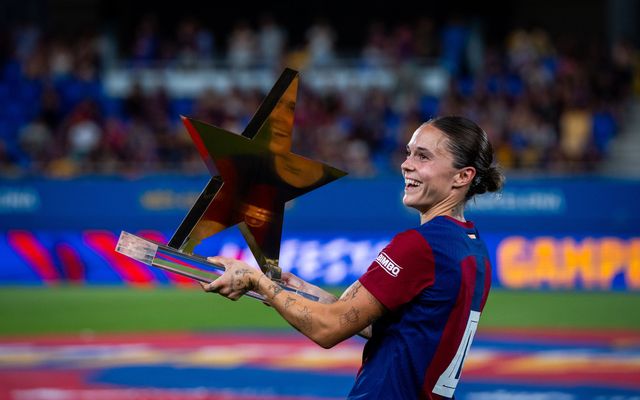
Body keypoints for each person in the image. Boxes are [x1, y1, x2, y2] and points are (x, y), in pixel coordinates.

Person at [202, 115, 504, 399]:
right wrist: (293, 288)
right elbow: (375, 323)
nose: (405, 164)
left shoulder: (421, 246)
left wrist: (256, 281)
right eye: (409, 152)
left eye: (423, 156)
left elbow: (329, 328)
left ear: (463, 176)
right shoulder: (471, 246)